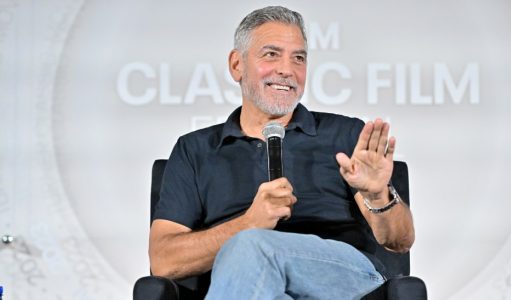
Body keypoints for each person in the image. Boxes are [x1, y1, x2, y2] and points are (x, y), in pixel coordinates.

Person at [149, 6, 415, 299]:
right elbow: (163, 260)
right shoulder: (195, 149)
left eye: (298, 58)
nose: (287, 70)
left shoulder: (346, 134)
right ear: (237, 65)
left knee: (252, 247)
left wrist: (379, 196)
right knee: (251, 252)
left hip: (342, 279)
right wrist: (247, 224)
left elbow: (400, 241)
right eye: (271, 54)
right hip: (246, 286)